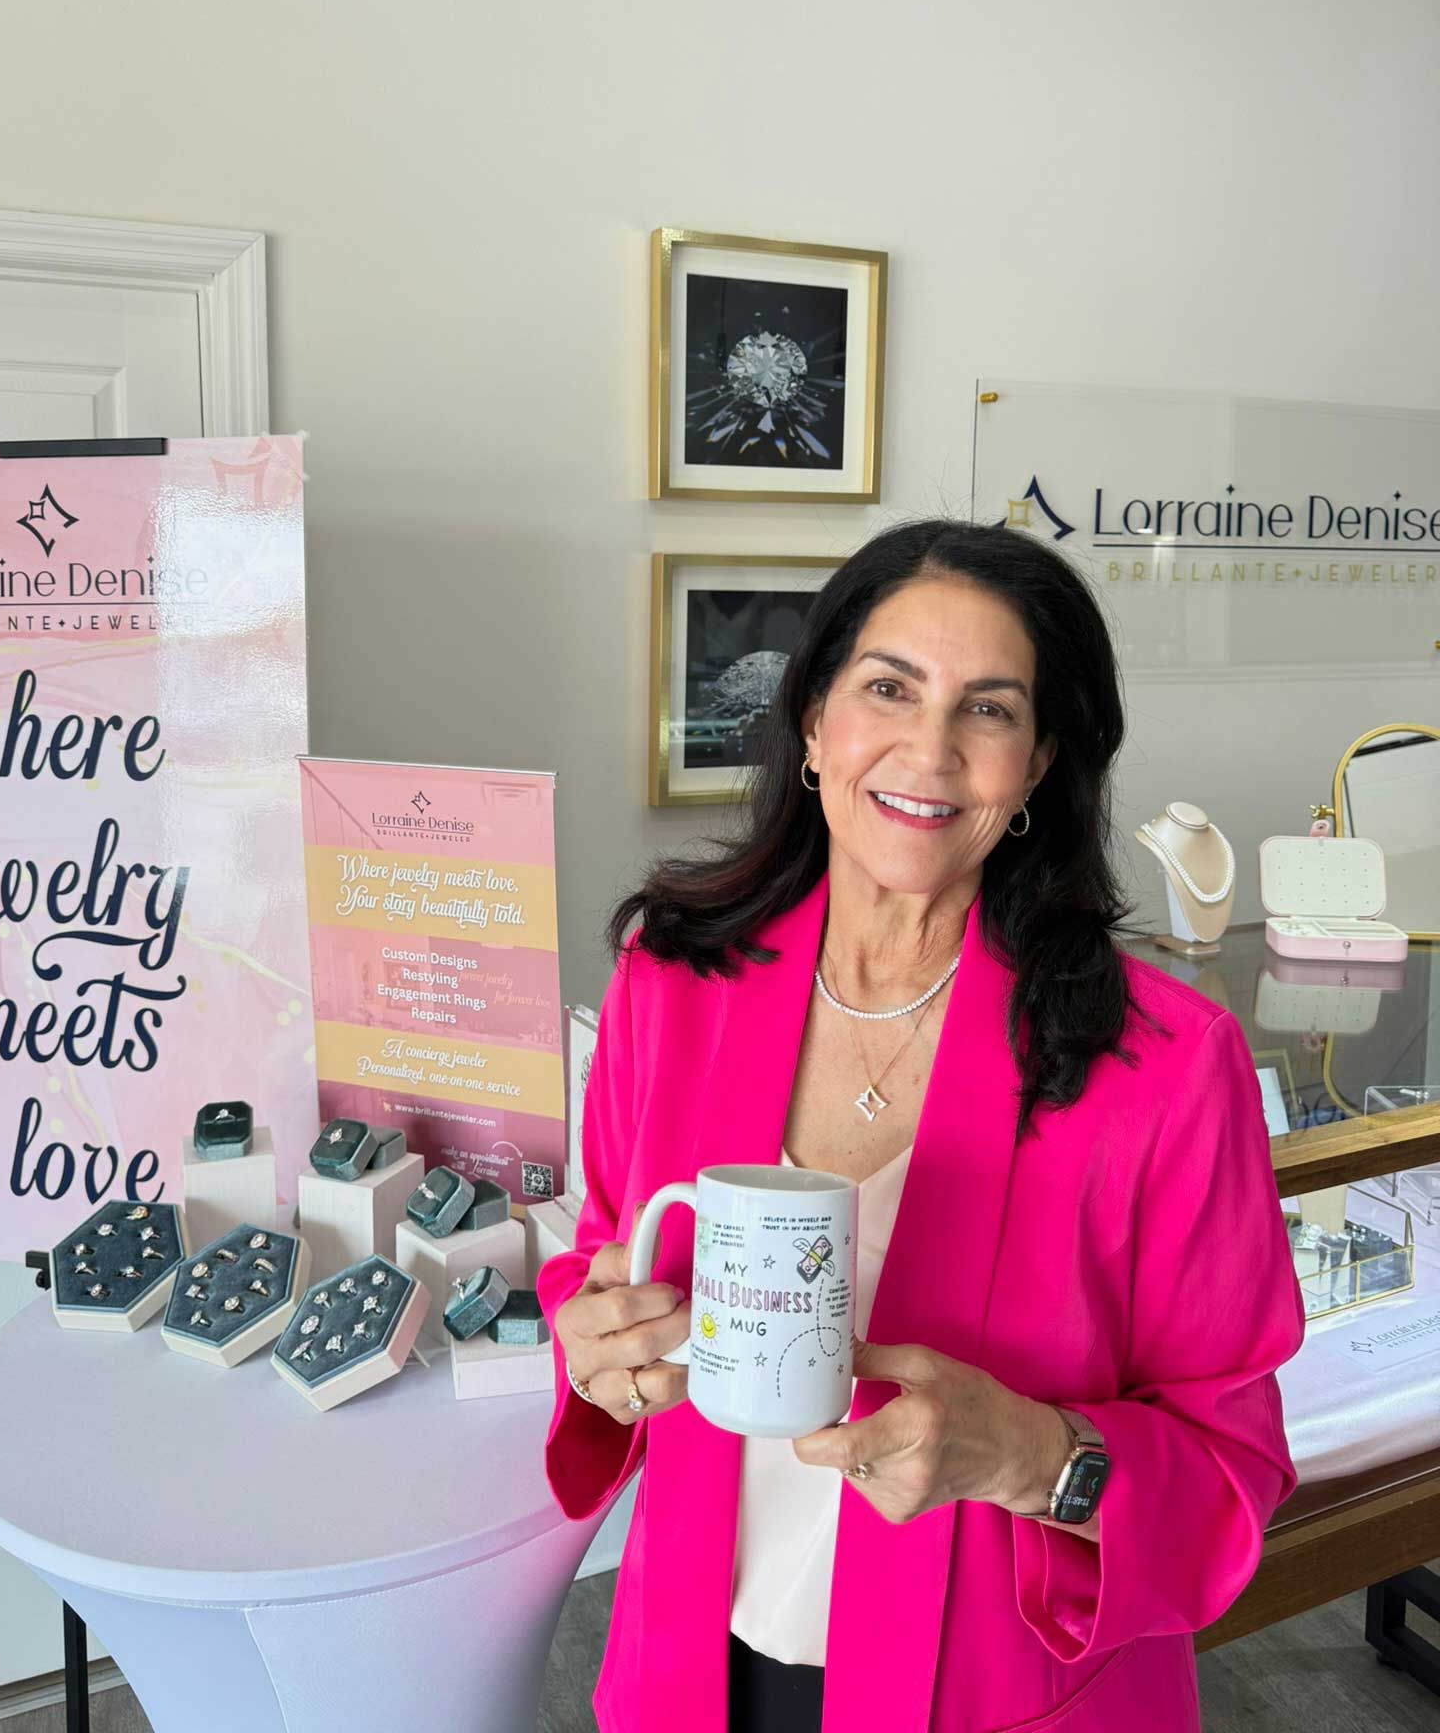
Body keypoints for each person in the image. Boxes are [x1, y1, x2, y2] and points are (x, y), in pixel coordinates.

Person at [536, 518, 1304, 1733]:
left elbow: (1232, 1470)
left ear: (1043, 760)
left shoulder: (1163, 1066)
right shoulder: (673, 982)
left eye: (989, 709)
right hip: (694, 1664)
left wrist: (1035, 1456)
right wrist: (594, 1339)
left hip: (1005, 1695)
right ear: (814, 720)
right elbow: (607, 1252)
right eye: (889, 686)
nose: (930, 749)